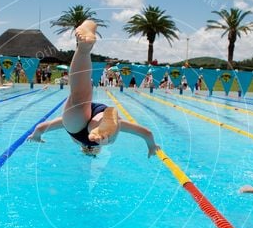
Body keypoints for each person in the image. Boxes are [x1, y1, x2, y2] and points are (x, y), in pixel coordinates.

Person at [27, 20, 159, 157]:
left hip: (97, 116)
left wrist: (152, 146)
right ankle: (84, 49)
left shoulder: (93, 139)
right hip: (77, 128)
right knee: (77, 96)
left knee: (105, 133)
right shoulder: (74, 135)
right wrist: (36, 136)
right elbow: (40, 128)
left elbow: (147, 133)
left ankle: (102, 129)